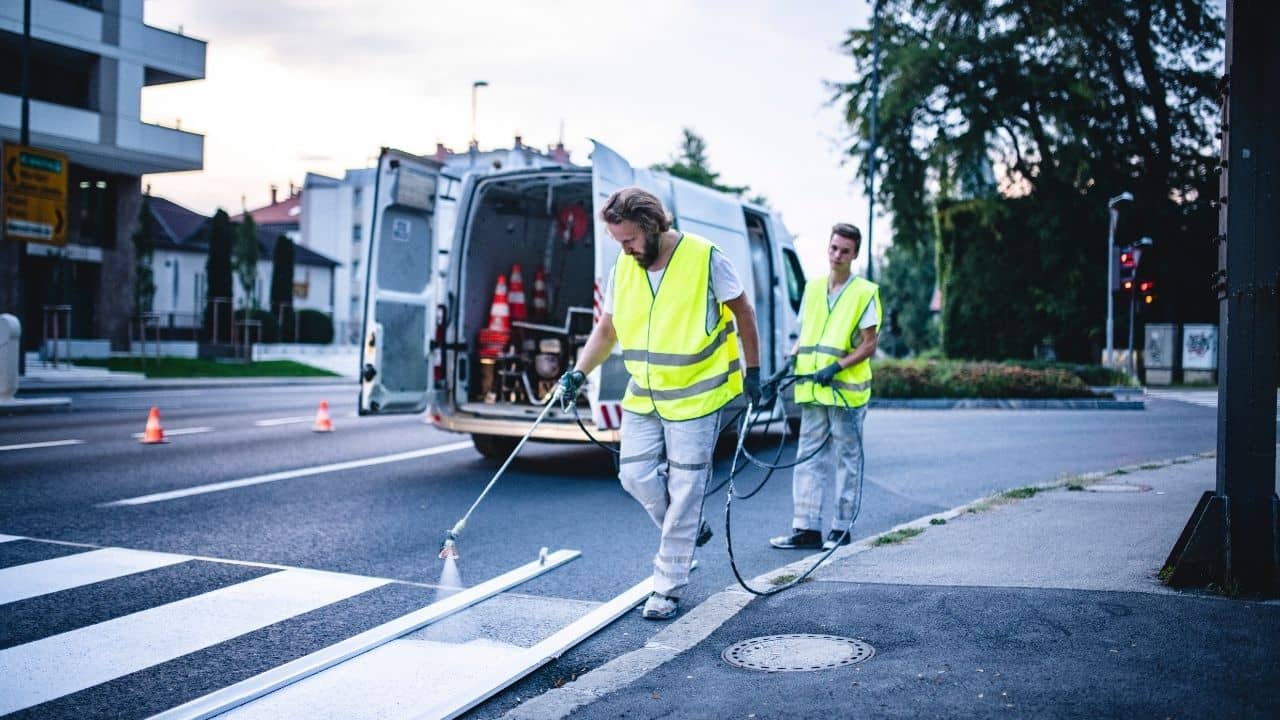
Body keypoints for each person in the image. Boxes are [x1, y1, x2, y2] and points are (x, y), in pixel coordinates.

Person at [558, 186, 761, 620]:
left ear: (651, 227)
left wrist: (755, 371)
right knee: (633, 475)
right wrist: (579, 372)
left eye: (629, 239)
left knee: (686, 493)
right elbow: (607, 329)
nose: (625, 248)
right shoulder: (624, 267)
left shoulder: (705, 257)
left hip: (696, 397)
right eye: (618, 241)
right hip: (645, 394)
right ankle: (685, 532)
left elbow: (743, 310)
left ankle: (667, 587)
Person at [771, 223, 880, 551]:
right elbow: (806, 335)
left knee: (847, 458)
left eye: (845, 251)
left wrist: (837, 366)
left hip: (845, 391)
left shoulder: (864, 293)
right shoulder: (813, 288)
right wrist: (787, 364)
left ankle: (841, 528)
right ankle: (806, 528)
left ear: (855, 254)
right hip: (812, 389)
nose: (837, 255)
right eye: (833, 248)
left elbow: (869, 344)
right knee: (808, 458)